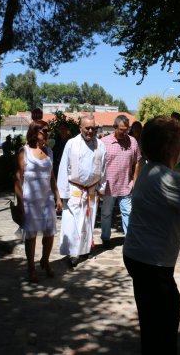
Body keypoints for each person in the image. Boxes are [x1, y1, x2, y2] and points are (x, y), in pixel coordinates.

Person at [123, 116, 180, 354]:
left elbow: (166, 212)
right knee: (164, 323)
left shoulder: (147, 170)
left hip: (137, 255)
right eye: (179, 144)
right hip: (153, 263)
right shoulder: (173, 179)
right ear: (169, 148)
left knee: (150, 320)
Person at [15, 120, 62, 283]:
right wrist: (20, 202)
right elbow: (18, 178)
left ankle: (45, 261)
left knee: (50, 233)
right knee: (31, 235)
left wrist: (57, 196)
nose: (47, 134)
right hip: (30, 200)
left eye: (48, 131)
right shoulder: (25, 151)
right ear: (35, 132)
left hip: (47, 199)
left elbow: (52, 176)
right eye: (45, 131)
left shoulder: (49, 151)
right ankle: (31, 267)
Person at [57, 114, 106, 269]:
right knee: (73, 223)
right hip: (75, 190)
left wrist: (102, 188)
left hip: (91, 190)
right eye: (87, 128)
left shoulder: (101, 146)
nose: (90, 131)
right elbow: (63, 168)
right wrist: (61, 194)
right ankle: (73, 253)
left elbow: (104, 169)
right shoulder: (71, 144)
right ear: (80, 128)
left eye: (93, 128)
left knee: (88, 222)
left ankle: (84, 250)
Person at [100, 115, 142, 248]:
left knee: (128, 212)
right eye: (122, 129)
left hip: (126, 184)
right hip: (109, 185)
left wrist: (135, 180)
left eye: (126, 129)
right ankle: (106, 238)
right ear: (114, 127)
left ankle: (129, 239)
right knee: (106, 213)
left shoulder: (132, 141)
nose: (125, 132)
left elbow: (137, 162)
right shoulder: (104, 142)